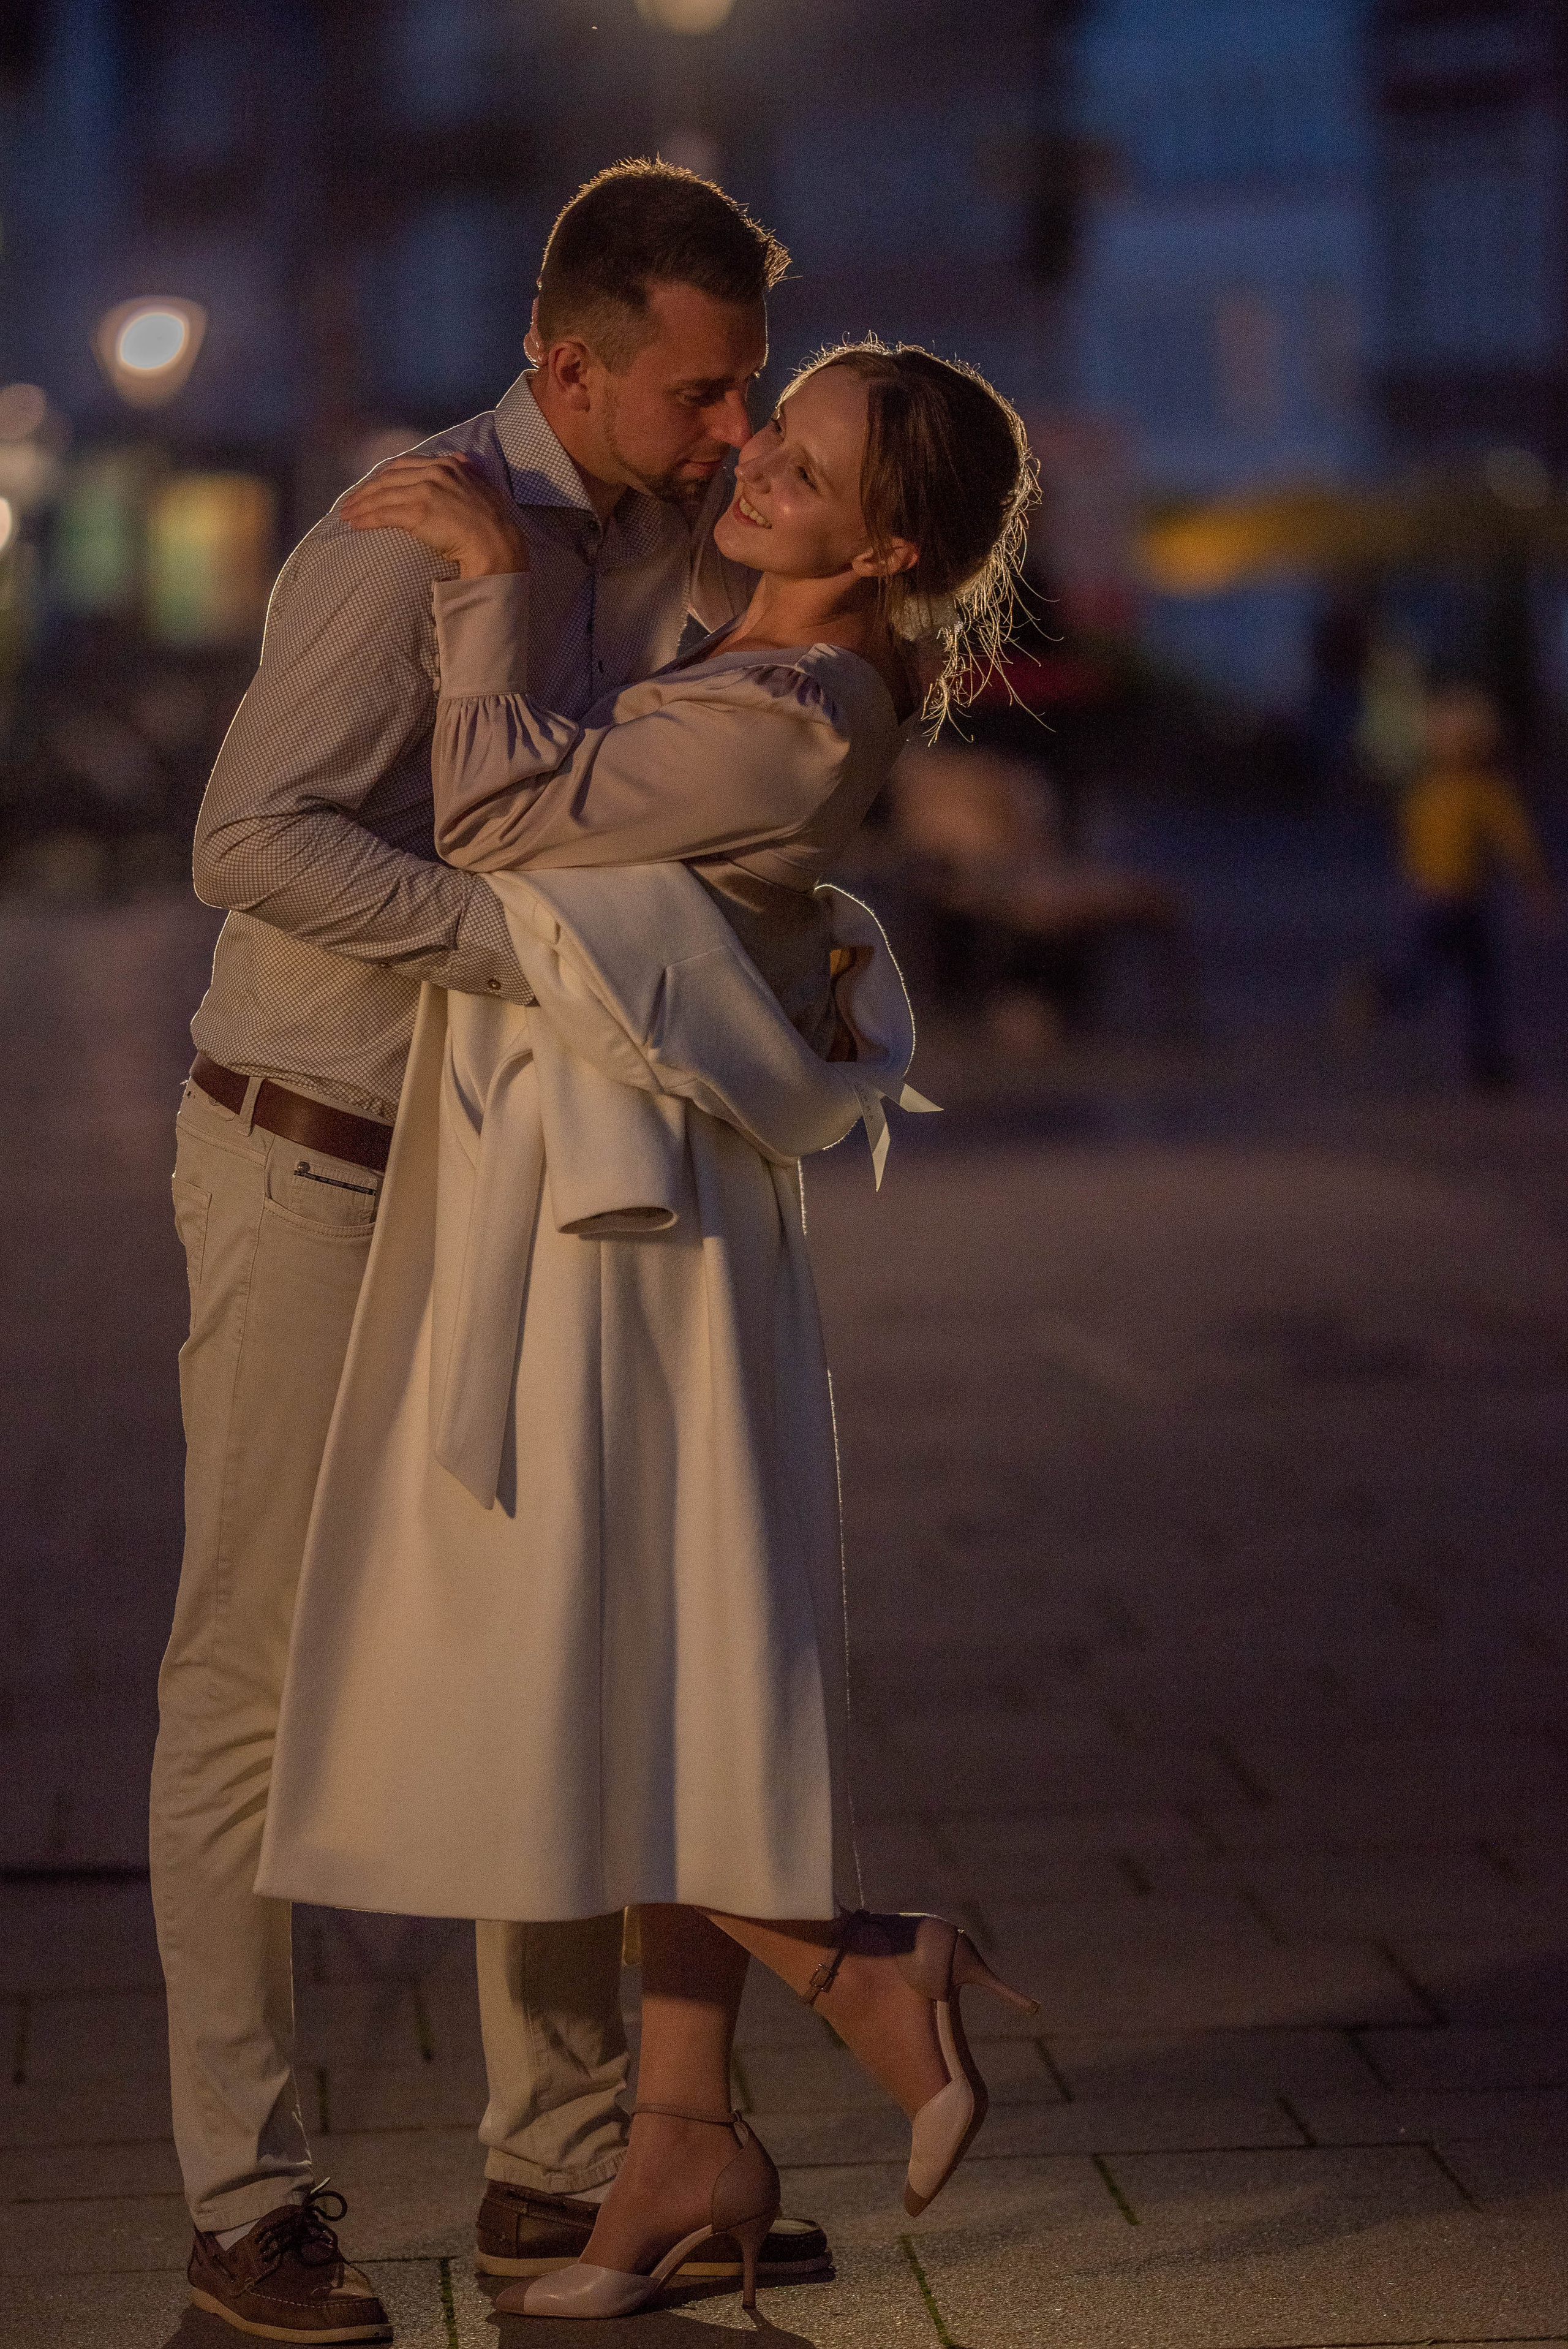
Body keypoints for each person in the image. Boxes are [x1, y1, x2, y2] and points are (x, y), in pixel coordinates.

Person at [257, 339, 1041, 2321]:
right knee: (663, 1648)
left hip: (650, 1234)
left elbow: (503, 816)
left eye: (809, 459)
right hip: (624, 1208)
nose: (759, 461)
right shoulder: (739, 638)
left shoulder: (797, 713)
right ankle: (680, 2126)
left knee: (615, 1655)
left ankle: (860, 1960)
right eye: (770, 428)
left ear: (898, 541)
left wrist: (484, 574)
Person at [154, 159, 848, 2347]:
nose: (730, 430)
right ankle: (243, 2194)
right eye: (700, 390)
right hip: (313, 1152)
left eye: (743, 392)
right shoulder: (411, 522)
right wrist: (537, 950)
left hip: (501, 1174)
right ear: (569, 364)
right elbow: (243, 840)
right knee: (251, 1679)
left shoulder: (649, 529)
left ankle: (555, 2165)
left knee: (530, 1645)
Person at [1365, 678, 1555, 1090]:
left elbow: (1513, 840)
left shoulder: (1438, 791)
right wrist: (1536, 886)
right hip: (1447, 900)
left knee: (1475, 980)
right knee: (1462, 977)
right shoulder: (1467, 791)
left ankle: (1479, 1055)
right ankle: (1387, 993)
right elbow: (1516, 841)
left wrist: (1535, 886)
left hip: (1446, 899)